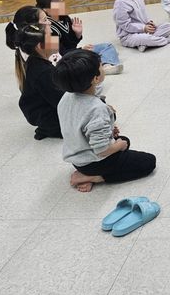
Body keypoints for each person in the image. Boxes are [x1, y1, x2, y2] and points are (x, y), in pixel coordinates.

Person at [54, 49, 156, 192]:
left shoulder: (67, 96)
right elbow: (101, 150)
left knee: (124, 140)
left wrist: (108, 130)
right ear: (95, 78)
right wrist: (119, 145)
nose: (103, 67)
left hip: (77, 158)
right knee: (148, 162)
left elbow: (79, 126)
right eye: (101, 66)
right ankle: (94, 177)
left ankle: (89, 172)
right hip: (94, 162)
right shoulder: (96, 109)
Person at [4, 6, 63, 140]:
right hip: (51, 119)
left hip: (47, 111)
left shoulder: (36, 60)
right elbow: (62, 101)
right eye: (50, 37)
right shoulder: (43, 72)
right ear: (40, 46)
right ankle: (47, 129)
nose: (55, 39)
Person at [36, 0, 123, 75]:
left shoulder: (64, 18)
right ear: (46, 9)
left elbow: (71, 44)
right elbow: (59, 54)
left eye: (61, 1)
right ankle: (104, 63)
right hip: (63, 59)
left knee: (107, 46)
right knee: (95, 55)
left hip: (72, 52)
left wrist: (77, 34)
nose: (62, 5)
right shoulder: (49, 27)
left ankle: (105, 63)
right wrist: (81, 49)